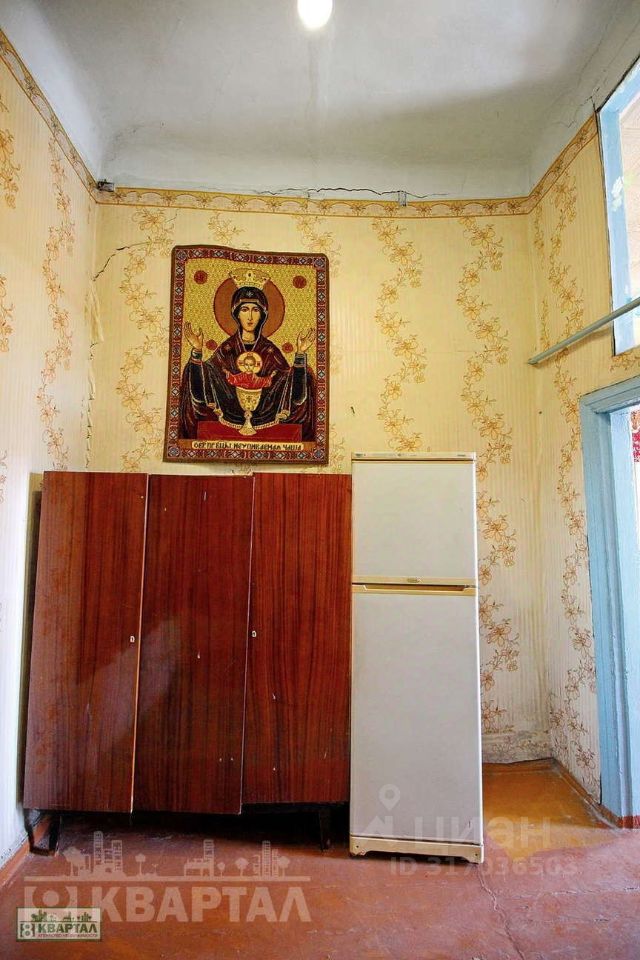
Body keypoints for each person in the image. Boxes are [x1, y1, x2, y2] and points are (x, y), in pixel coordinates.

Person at [179, 281, 316, 440]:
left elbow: (290, 386)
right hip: (227, 413)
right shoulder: (227, 349)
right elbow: (205, 382)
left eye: (255, 310)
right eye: (244, 309)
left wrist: (300, 353)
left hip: (267, 416)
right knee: (192, 368)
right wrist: (197, 351)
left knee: (307, 374)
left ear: (262, 315)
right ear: (236, 314)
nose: (250, 317)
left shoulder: (270, 350)